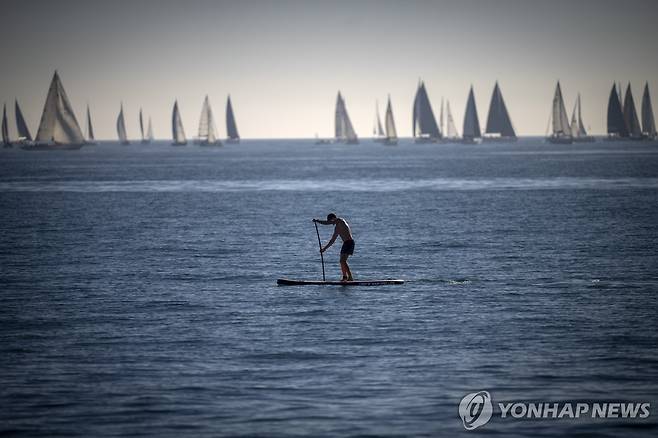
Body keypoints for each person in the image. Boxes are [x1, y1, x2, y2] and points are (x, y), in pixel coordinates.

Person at [313, 213, 354, 281]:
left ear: (333, 218)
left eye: (331, 221)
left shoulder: (340, 220)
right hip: (345, 243)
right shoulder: (337, 228)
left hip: (350, 243)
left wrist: (317, 221)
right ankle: (344, 277)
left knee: (343, 260)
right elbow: (332, 241)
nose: (331, 223)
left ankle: (350, 277)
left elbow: (328, 222)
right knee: (341, 261)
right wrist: (324, 249)